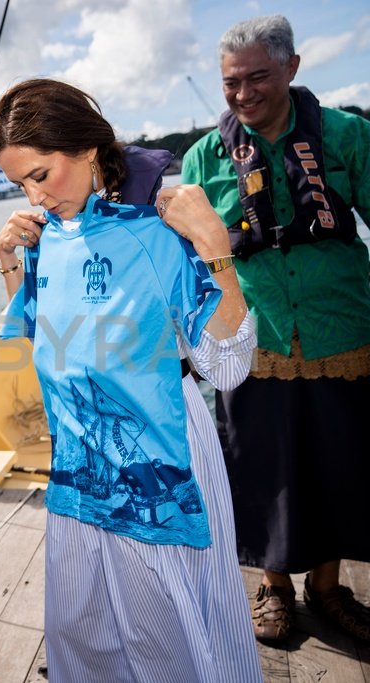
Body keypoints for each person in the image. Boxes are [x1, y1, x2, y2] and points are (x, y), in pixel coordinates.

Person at [0, 78, 262, 682]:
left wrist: (214, 244)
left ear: (87, 149)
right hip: (79, 471)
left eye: (40, 174)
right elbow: (50, 344)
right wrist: (11, 264)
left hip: (159, 461)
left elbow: (227, 366)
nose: (34, 196)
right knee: (85, 634)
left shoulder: (157, 233)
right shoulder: (45, 239)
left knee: (173, 639)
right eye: (19, 184)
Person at [182, 14, 370, 644]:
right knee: (262, 465)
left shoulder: (348, 135)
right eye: (230, 82)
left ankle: (327, 587)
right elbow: (184, 263)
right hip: (248, 339)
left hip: (341, 330)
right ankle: (274, 587)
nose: (243, 94)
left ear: (291, 67)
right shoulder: (203, 159)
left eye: (257, 77)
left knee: (337, 463)